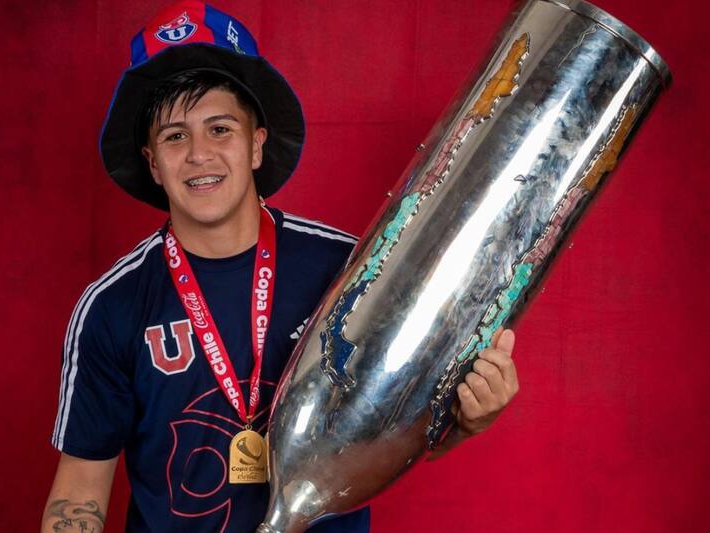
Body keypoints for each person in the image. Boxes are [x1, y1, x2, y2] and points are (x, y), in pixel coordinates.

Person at [42, 2, 519, 532]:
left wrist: (470, 419)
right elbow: (81, 488)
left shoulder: (354, 270)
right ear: (153, 162)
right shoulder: (112, 305)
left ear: (256, 144)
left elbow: (400, 430)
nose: (198, 154)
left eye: (219, 128)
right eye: (175, 136)